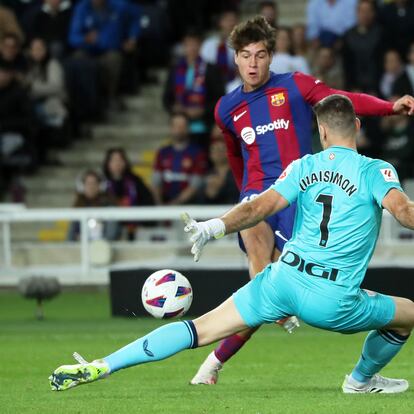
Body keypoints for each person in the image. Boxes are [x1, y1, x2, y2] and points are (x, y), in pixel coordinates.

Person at [50, 95, 414, 394]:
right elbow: (403, 213)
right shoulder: (374, 171)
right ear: (358, 126)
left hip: (281, 281)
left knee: (201, 328)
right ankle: (360, 380)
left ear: (321, 131)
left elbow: (257, 207)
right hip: (331, 298)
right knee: (407, 314)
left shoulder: (303, 166)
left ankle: (103, 365)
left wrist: (213, 227)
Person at [189, 16, 414, 385]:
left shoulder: (294, 86)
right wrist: (245, 200)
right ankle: (210, 366)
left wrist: (389, 107)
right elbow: (234, 156)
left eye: (260, 55)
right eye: (245, 56)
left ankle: (217, 356)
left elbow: (344, 102)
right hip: (260, 196)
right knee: (260, 270)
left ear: (271, 56)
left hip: (300, 195)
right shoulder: (225, 108)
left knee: (276, 290)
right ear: (235, 59)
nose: (252, 63)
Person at [152, 113, 207, 205]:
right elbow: (156, 181)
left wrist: (174, 204)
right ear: (170, 128)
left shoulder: (197, 152)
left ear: (188, 128)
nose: (179, 129)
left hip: (189, 206)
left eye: (182, 126)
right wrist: (159, 205)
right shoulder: (163, 152)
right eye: (176, 125)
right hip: (164, 205)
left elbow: (196, 184)